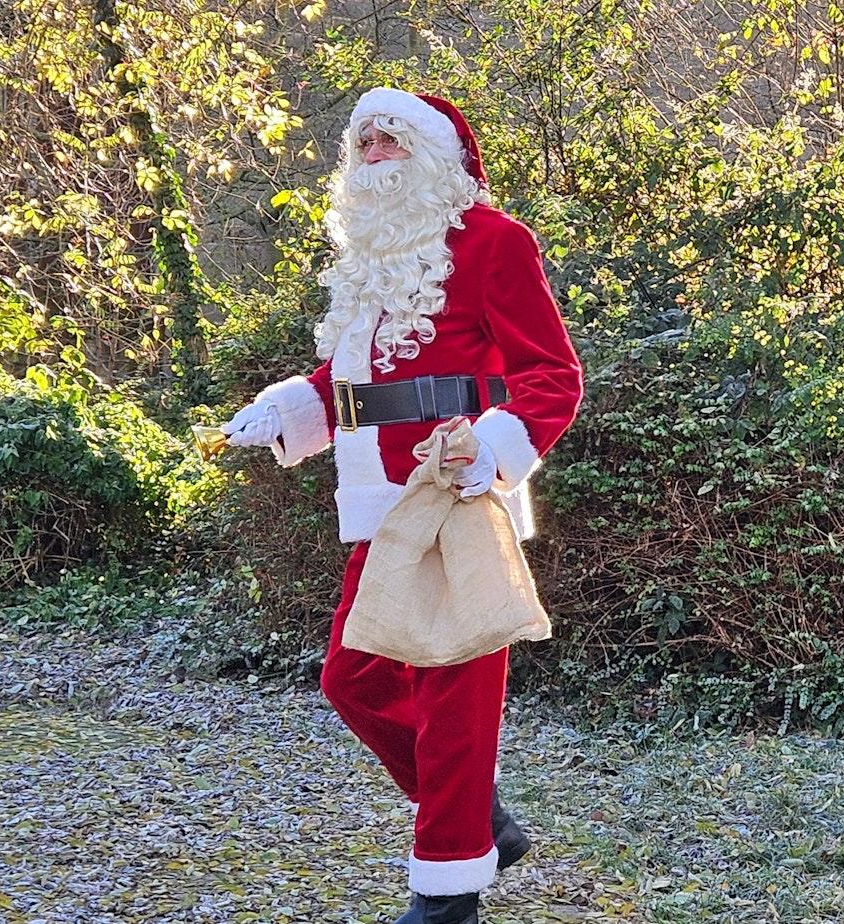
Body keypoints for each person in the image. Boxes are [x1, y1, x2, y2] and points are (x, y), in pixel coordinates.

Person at [221, 88, 583, 922]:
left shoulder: (495, 242)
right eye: (365, 141)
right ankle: (480, 819)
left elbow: (552, 376)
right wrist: (287, 408)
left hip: (453, 495)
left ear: (438, 159)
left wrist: (491, 451)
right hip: (379, 508)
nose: (375, 151)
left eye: (392, 138)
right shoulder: (375, 261)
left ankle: (447, 890)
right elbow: (354, 380)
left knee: (454, 700)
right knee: (353, 681)